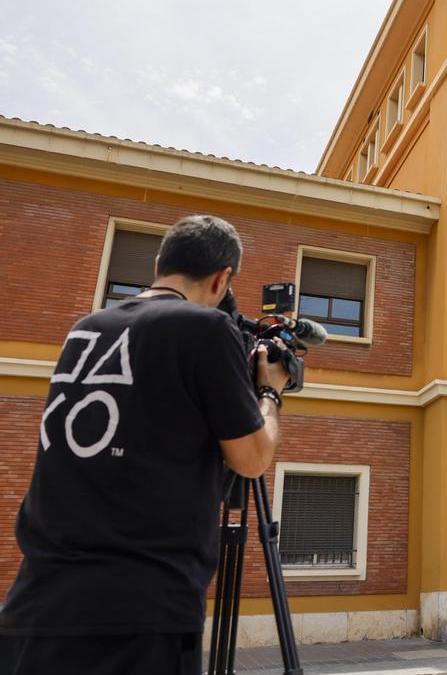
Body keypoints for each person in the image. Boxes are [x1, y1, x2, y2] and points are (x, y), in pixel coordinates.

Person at [0, 215, 289, 675]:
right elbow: (252, 459)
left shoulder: (86, 328)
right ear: (222, 279)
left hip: (36, 606)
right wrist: (270, 391)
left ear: (158, 263)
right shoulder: (205, 329)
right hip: (142, 614)